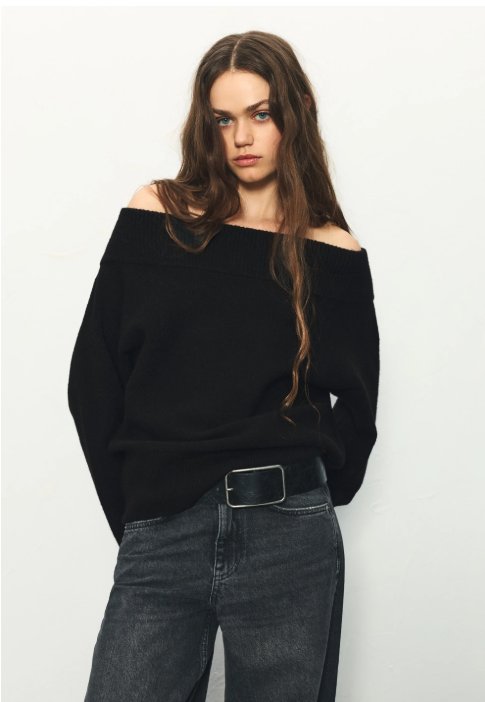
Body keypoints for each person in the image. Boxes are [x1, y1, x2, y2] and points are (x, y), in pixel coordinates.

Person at [67, 30, 380, 702]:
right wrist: (141, 515)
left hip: (289, 537)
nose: (242, 137)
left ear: (295, 113)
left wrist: (308, 506)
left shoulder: (331, 251)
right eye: (223, 119)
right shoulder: (157, 215)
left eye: (261, 114)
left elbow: (358, 412)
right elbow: (92, 379)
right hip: (163, 530)